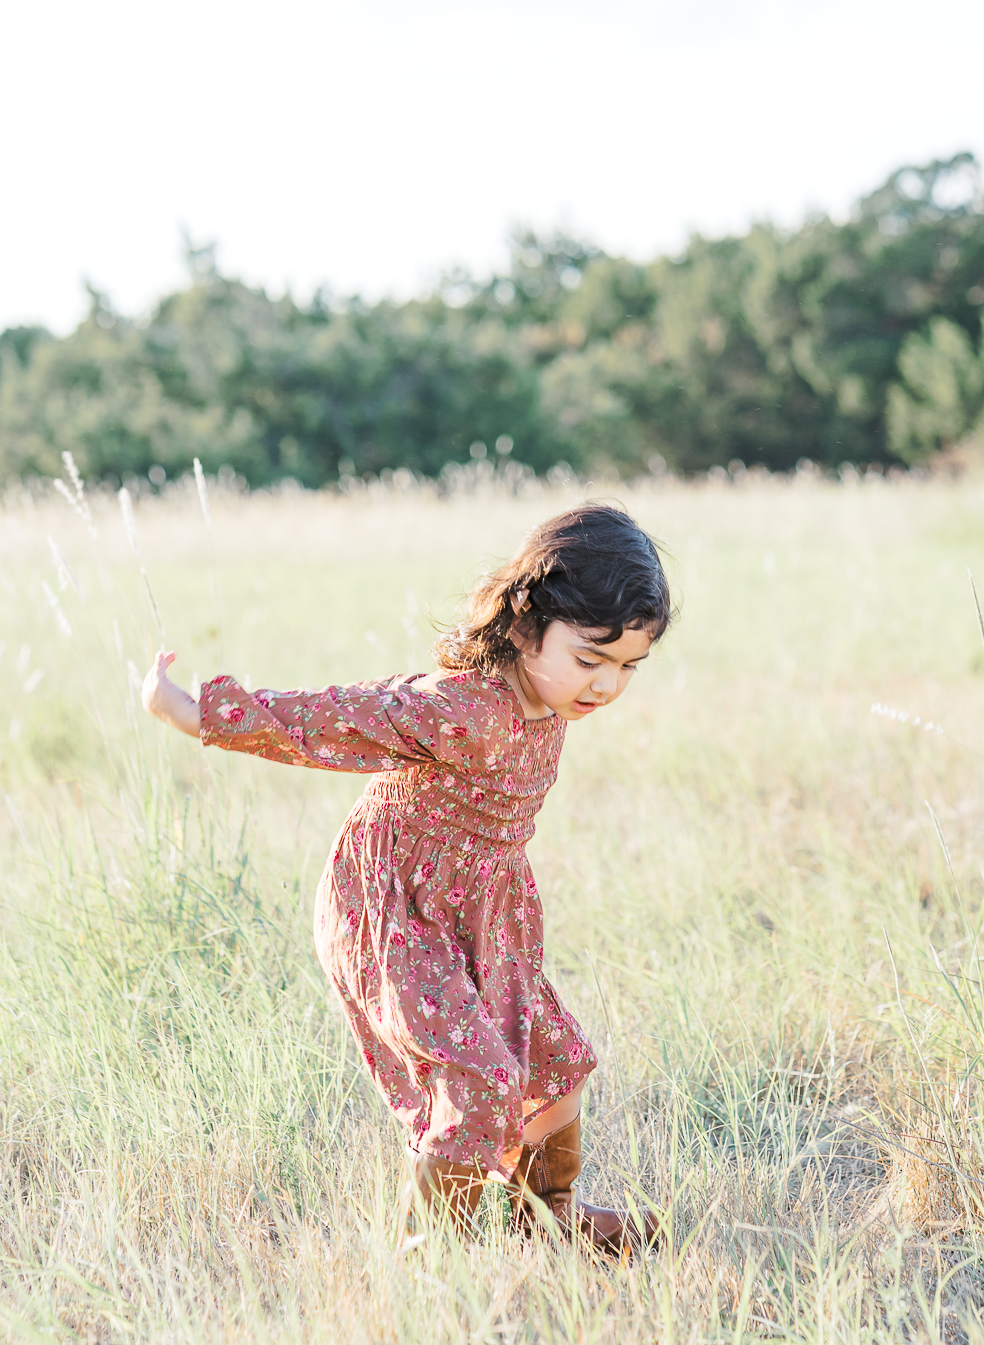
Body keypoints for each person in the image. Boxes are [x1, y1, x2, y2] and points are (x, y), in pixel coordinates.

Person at [142, 503, 671, 1256]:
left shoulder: (547, 706)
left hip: (478, 909)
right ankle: (433, 1256)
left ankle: (540, 1218)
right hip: (390, 906)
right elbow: (343, 719)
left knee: (555, 1059)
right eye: (591, 660)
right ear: (525, 626)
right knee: (480, 1077)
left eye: (627, 666)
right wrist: (200, 715)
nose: (608, 686)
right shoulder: (467, 709)